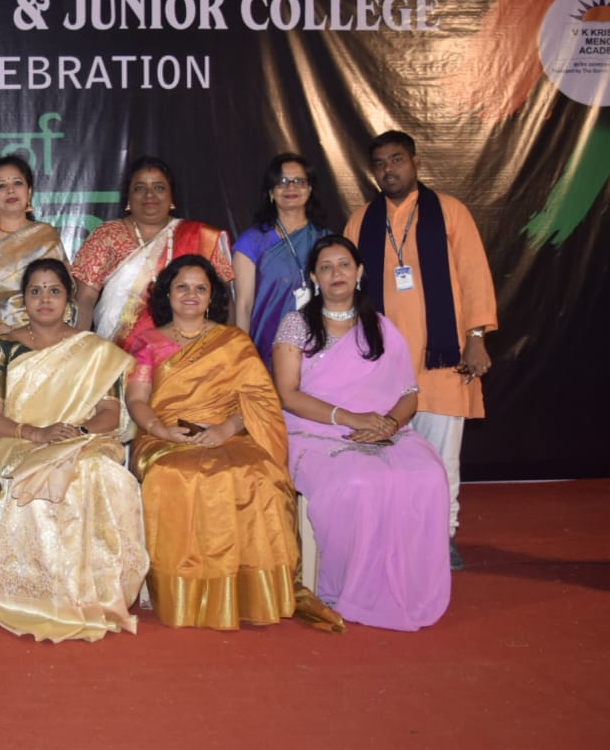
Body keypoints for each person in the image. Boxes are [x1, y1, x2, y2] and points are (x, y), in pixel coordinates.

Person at [271, 236, 450, 631]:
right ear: (313, 277)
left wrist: (390, 424)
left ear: (360, 272)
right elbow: (288, 395)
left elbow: (408, 392)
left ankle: (410, 586)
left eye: (344, 265)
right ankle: (351, 586)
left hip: (383, 430)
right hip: (315, 433)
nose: (336, 273)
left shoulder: (381, 326)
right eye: (326, 267)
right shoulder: (296, 325)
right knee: (361, 482)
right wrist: (351, 418)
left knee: (427, 476)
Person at [344, 130, 498, 570]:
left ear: (415, 162)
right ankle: (391, 538)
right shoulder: (360, 221)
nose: (388, 169)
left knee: (439, 459)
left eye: (396, 159)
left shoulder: (449, 212)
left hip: (442, 361)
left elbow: (474, 277)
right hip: (381, 365)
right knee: (385, 457)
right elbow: (345, 288)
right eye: (380, 164)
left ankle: (440, 536)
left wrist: (476, 338)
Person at [0, 258, 148, 642]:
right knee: (38, 483)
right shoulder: (1, 347)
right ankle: (41, 597)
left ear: (68, 300)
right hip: (18, 441)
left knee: (100, 475)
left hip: (82, 439)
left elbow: (109, 414)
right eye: (35, 291)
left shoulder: (94, 350)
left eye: (54, 291)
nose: (44, 299)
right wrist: (37, 434)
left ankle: (96, 594)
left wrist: (75, 434)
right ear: (23, 300)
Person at [126, 255, 298, 630]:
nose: (191, 294)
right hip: (164, 435)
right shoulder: (148, 343)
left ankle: (249, 592)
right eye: (182, 287)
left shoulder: (233, 341)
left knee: (257, 473)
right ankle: (184, 593)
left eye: (200, 288)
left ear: (211, 297)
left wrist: (226, 429)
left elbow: (258, 400)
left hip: (228, 432)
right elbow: (137, 400)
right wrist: (161, 430)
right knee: (177, 475)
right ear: (167, 293)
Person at [72, 155, 234, 348]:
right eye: (140, 188)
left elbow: (225, 300)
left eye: (159, 187)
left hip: (189, 352)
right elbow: (84, 300)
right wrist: (77, 351)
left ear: (171, 197)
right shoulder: (107, 235)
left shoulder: (201, 237)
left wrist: (230, 349)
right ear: (128, 198)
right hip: (118, 353)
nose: (149, 195)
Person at [0, 155, 69, 348]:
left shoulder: (46, 235)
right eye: (2, 185)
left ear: (29, 191)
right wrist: (10, 335)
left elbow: (66, 290)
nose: (10, 190)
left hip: (49, 340)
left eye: (17, 183)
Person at [233, 152, 332, 365]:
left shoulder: (327, 240)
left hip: (321, 347)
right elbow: (244, 305)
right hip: (267, 344)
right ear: (271, 192)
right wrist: (242, 357)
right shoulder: (252, 241)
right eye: (282, 182)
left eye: (299, 181)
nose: (291, 187)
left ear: (310, 189)